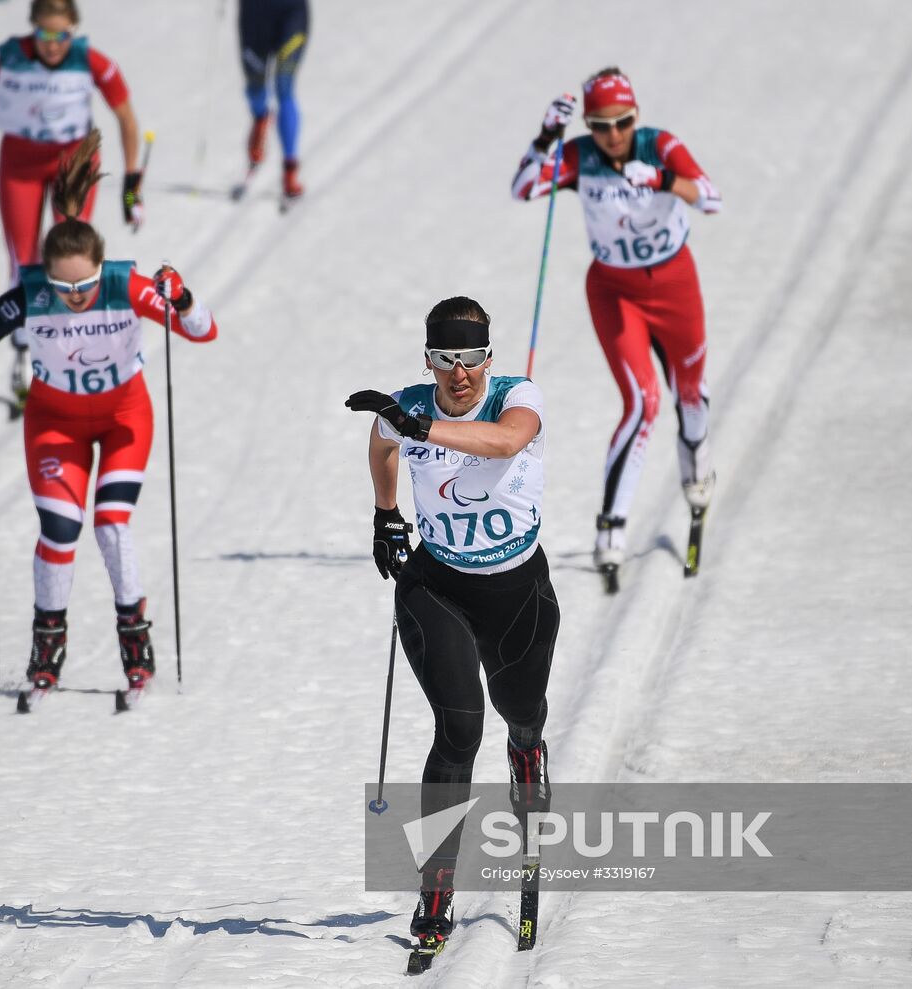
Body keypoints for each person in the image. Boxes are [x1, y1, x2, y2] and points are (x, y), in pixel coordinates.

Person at [0, 132, 218, 703]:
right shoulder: (32, 293)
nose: (75, 295)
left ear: (103, 268)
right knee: (61, 530)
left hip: (124, 419)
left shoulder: (124, 285)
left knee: (111, 524)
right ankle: (46, 657)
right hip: (54, 424)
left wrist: (183, 296)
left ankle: (136, 655)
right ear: (47, 275)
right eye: (65, 285)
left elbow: (202, 331)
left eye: (86, 284)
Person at [345, 298, 559, 957]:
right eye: (445, 359)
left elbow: (507, 441)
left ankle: (527, 758)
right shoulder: (408, 403)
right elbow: (381, 441)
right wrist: (386, 514)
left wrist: (420, 428)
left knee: (521, 714)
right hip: (437, 586)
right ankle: (435, 892)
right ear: (430, 359)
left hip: (516, 591)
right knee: (458, 729)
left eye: (469, 359)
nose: (457, 373)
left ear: (486, 359)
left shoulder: (514, 394)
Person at [511, 67, 721, 583]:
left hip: (673, 287)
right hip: (615, 292)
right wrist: (545, 137)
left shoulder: (661, 146)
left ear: (636, 116)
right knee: (643, 402)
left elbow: (712, 198)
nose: (612, 135)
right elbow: (522, 189)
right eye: (600, 125)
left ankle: (697, 471)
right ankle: (612, 525)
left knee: (690, 395)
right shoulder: (580, 155)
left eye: (622, 123)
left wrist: (664, 180)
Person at [0, 0, 145, 407]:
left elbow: (127, 119)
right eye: (44, 34)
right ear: (33, 30)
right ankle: (24, 358)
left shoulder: (91, 60)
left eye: (61, 35)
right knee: (22, 260)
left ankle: (73, 356)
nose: (53, 45)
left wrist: (131, 188)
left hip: (72, 163)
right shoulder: (10, 56)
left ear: (73, 32)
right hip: (20, 165)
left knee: (67, 257)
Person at [238, 0, 308, 204]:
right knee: (256, 87)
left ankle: (290, 168)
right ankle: (261, 117)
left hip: (290, 13)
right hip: (255, 16)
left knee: (284, 86)